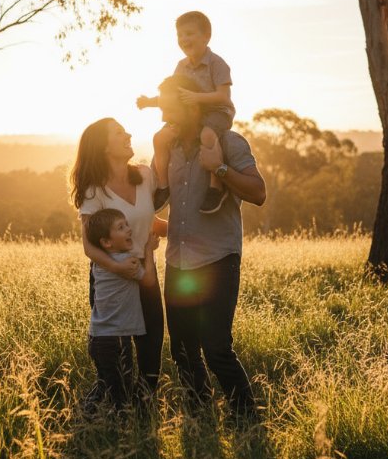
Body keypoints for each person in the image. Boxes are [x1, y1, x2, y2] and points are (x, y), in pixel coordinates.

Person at [151, 74, 266, 420]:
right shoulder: (167, 146)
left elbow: (258, 193)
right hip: (178, 263)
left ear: (191, 103)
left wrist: (219, 168)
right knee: (184, 350)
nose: (162, 115)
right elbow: (156, 200)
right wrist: (158, 153)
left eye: (168, 106)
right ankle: (200, 419)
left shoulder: (228, 142)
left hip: (218, 260)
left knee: (216, 348)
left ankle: (247, 420)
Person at [70, 118, 166, 402]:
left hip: (145, 272)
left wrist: (189, 231)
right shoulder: (94, 191)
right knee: (117, 358)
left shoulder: (145, 176)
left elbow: (149, 221)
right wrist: (117, 266)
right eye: (119, 132)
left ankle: (144, 413)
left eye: (126, 130)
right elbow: (89, 244)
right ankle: (108, 414)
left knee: (151, 351)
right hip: (112, 279)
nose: (128, 135)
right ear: (103, 147)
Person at [137, 11, 235, 214]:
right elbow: (173, 96)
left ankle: (216, 187)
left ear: (206, 36)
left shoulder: (217, 64)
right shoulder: (181, 66)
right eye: (180, 35)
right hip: (188, 116)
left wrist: (197, 98)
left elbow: (224, 97)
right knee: (160, 138)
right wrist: (150, 102)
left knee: (207, 135)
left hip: (217, 112)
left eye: (189, 33)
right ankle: (163, 187)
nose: (184, 39)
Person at [83, 208, 160, 411]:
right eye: (121, 227)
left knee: (107, 385)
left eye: (127, 224)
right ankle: (103, 422)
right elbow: (149, 280)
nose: (129, 230)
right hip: (113, 339)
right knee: (119, 394)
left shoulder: (102, 263)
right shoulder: (126, 263)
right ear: (107, 242)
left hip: (102, 337)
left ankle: (91, 417)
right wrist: (149, 251)